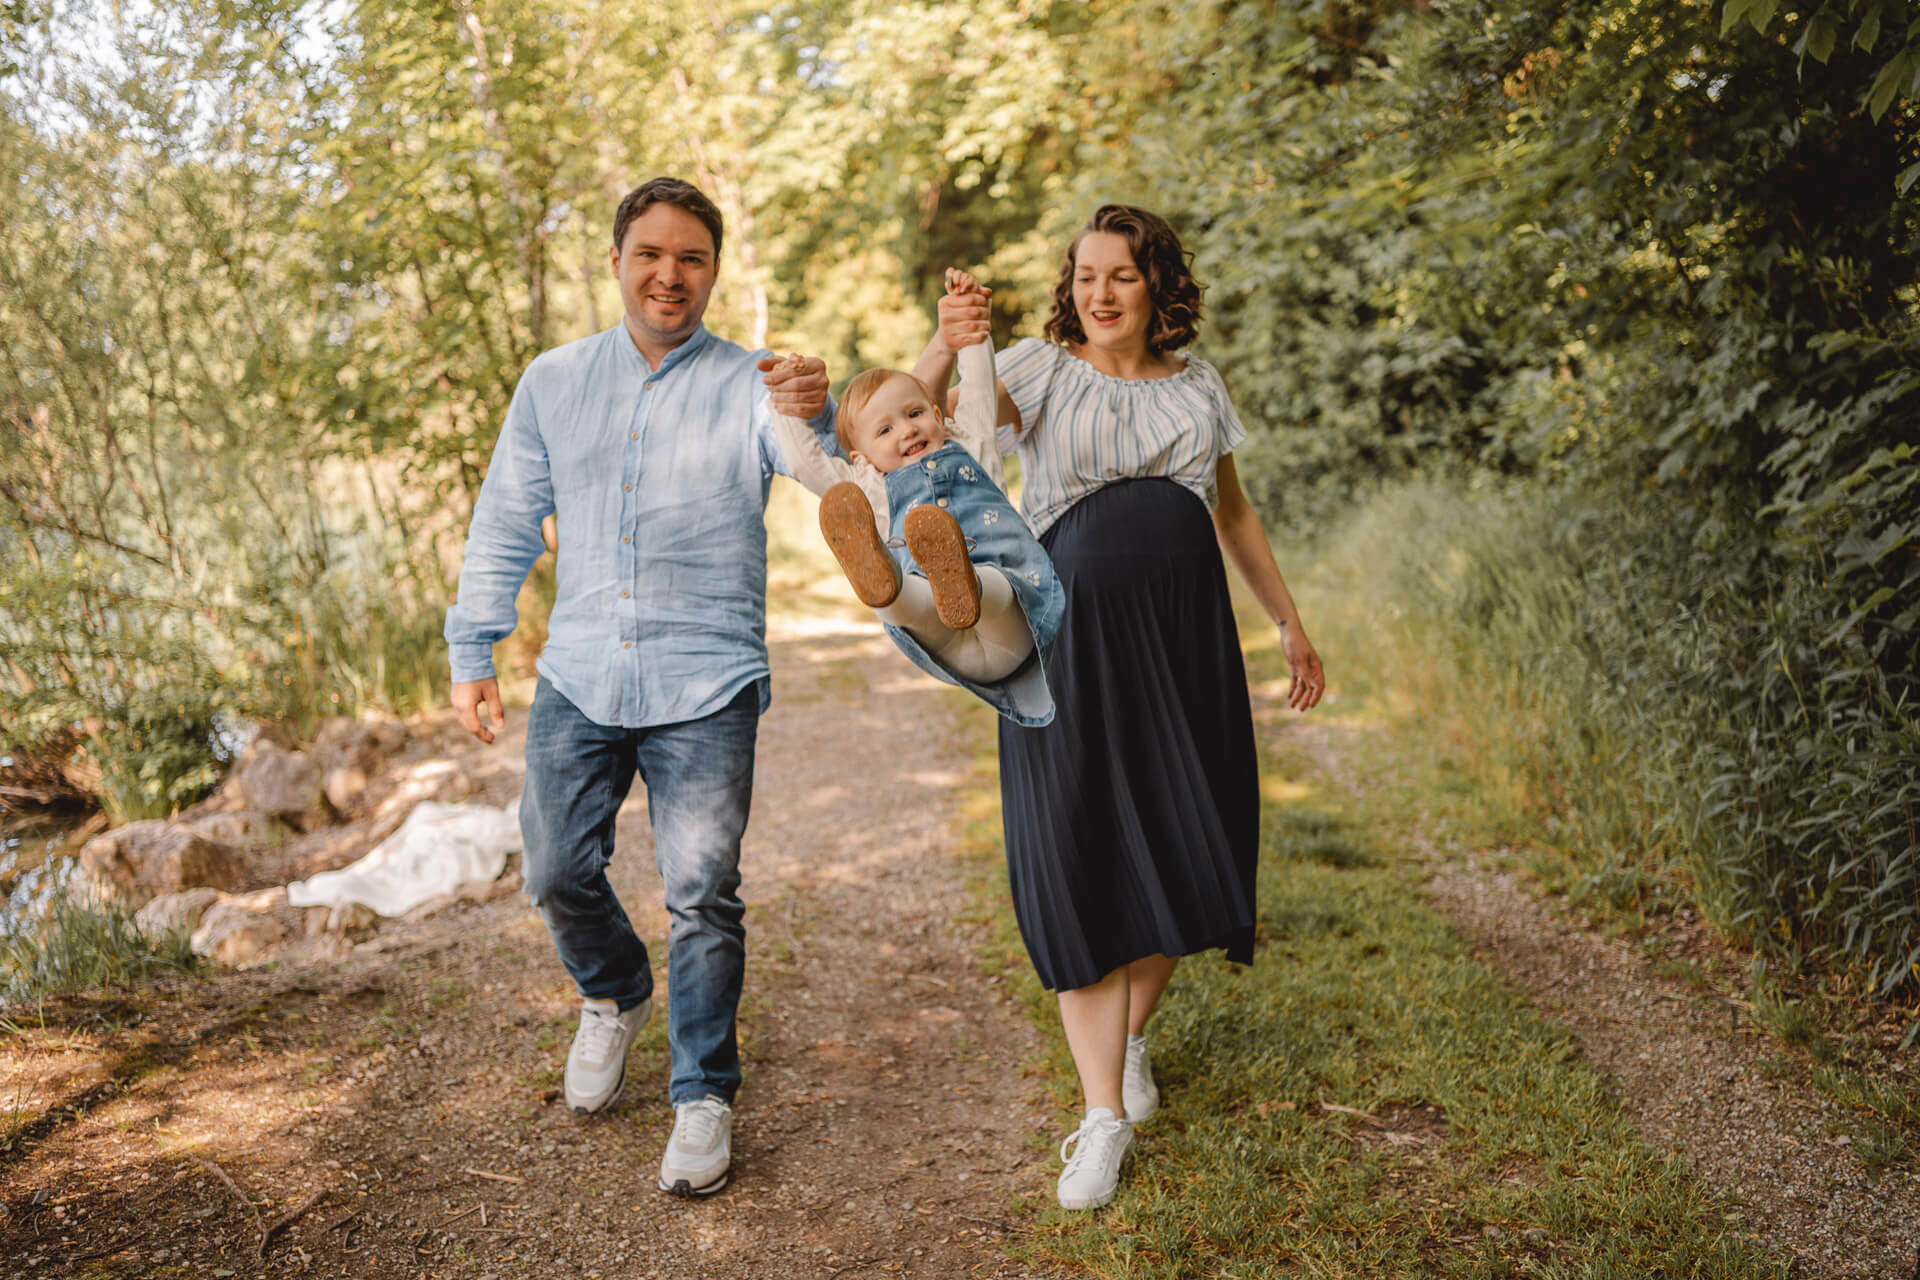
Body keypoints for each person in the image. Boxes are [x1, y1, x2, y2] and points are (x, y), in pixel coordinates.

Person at [919, 204, 1327, 1211]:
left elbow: (1230, 507)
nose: (1100, 293)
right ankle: (1100, 1118)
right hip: (1070, 645)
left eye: (1123, 275)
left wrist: (1289, 620)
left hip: (1186, 643)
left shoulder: (1199, 389)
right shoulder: (1040, 369)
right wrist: (947, 338)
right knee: (1080, 850)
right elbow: (920, 416)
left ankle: (1132, 1035)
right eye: (1086, 274)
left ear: (1158, 288)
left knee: (1196, 850)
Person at [443, 177, 834, 1199]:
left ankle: (702, 1092)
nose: (670, 273)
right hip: (580, 667)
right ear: (618, 259)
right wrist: (473, 646)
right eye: (651, 253)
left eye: (692, 257)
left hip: (706, 675)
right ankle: (614, 990)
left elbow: (832, 468)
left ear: (714, 270)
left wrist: (819, 404)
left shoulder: (755, 382)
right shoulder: (553, 380)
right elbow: (504, 518)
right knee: (553, 867)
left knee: (703, 890)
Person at [768, 270, 1063, 727]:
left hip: (1011, 622)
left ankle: (962, 580)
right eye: (885, 429)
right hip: (942, 640)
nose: (906, 430)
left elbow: (980, 382)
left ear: (938, 414)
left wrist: (972, 329)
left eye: (914, 413)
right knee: (909, 598)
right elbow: (807, 463)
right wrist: (781, 405)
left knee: (994, 586)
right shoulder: (866, 485)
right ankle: (882, 579)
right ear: (860, 455)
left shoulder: (971, 440)